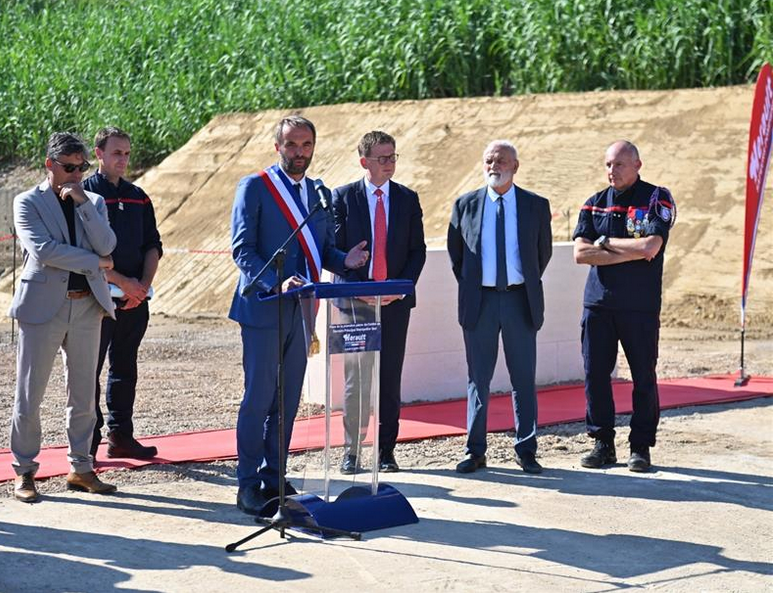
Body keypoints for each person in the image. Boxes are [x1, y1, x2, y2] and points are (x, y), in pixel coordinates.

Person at [229, 115, 369, 515]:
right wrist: (276, 283)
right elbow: (243, 249)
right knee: (258, 399)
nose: (299, 153)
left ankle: (276, 475)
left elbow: (322, 250)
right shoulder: (255, 187)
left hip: (303, 308)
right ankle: (247, 484)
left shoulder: (318, 193)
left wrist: (347, 258)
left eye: (306, 145)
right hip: (263, 307)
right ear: (278, 146)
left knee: (287, 400)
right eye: (291, 145)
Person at [8, 132, 118, 502]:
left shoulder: (95, 200)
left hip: (87, 305)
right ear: (49, 164)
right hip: (42, 306)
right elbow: (43, 251)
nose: (75, 174)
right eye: (68, 168)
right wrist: (97, 263)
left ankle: (82, 467)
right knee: (30, 394)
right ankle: (24, 472)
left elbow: (107, 245)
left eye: (81, 168)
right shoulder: (27, 202)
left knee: (85, 395)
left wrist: (84, 203)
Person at [447, 140, 552, 475]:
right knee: (478, 378)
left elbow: (542, 254)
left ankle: (527, 449)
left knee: (523, 378)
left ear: (516, 166)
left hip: (520, 300)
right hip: (481, 302)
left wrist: (521, 282)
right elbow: (457, 257)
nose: (494, 165)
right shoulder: (466, 205)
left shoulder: (535, 205)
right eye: (489, 160)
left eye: (502, 160)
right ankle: (475, 450)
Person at [572, 140, 676, 472]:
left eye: (618, 164)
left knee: (643, 376)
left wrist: (604, 244)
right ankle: (603, 443)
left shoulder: (656, 197)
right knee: (595, 375)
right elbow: (580, 254)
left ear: (637, 165)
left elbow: (650, 246)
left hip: (639, 307)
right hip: (598, 305)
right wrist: (625, 249)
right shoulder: (593, 204)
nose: (611, 171)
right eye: (607, 165)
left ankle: (641, 447)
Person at [332, 131, 426, 474]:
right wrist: (359, 288)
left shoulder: (407, 199)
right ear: (364, 162)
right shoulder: (343, 198)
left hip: (394, 303)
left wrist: (401, 288)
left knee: (389, 377)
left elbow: (418, 251)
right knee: (357, 380)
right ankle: (352, 452)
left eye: (393, 157)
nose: (389, 164)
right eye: (382, 158)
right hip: (355, 303)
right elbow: (336, 251)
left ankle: (386, 451)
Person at [83, 127, 163, 460]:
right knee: (88, 370)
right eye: (117, 153)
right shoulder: (82, 194)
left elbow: (152, 245)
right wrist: (120, 283)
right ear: (99, 154)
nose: (124, 159)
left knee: (125, 368)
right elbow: (84, 252)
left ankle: (121, 436)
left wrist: (140, 287)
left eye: (128, 153)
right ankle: (87, 443)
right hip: (94, 299)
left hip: (134, 300)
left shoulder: (138, 196)